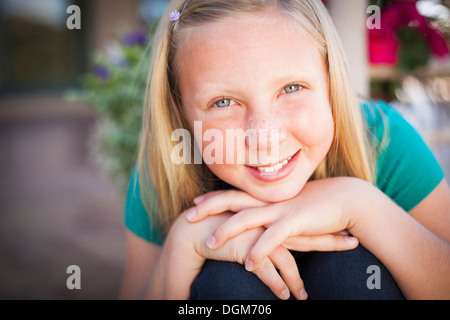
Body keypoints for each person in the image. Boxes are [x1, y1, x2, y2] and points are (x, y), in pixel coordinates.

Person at [119, 0, 450, 300]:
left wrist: (360, 204)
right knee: (227, 282)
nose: (264, 136)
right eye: (223, 102)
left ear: (331, 82)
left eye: (292, 88)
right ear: (181, 113)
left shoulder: (382, 139)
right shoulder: (165, 166)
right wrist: (183, 244)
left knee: (352, 271)